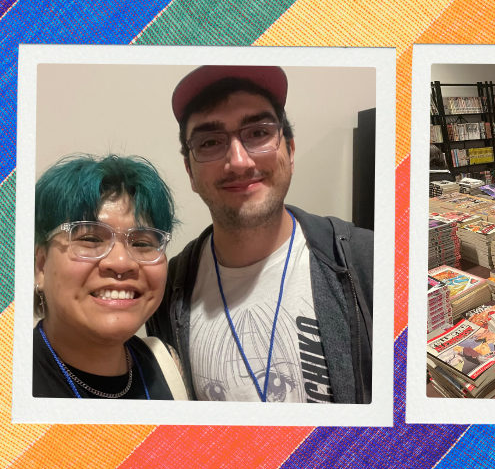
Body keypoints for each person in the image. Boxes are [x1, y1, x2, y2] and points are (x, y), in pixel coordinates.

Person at [147, 66, 373, 404]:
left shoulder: (367, 261)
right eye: (209, 142)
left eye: (258, 133)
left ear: (290, 151)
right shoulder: (165, 293)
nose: (238, 161)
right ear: (190, 173)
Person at [33, 155, 185, 400]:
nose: (122, 263)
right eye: (91, 239)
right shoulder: (11, 376)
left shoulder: (166, 366)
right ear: (40, 266)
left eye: (143, 243)